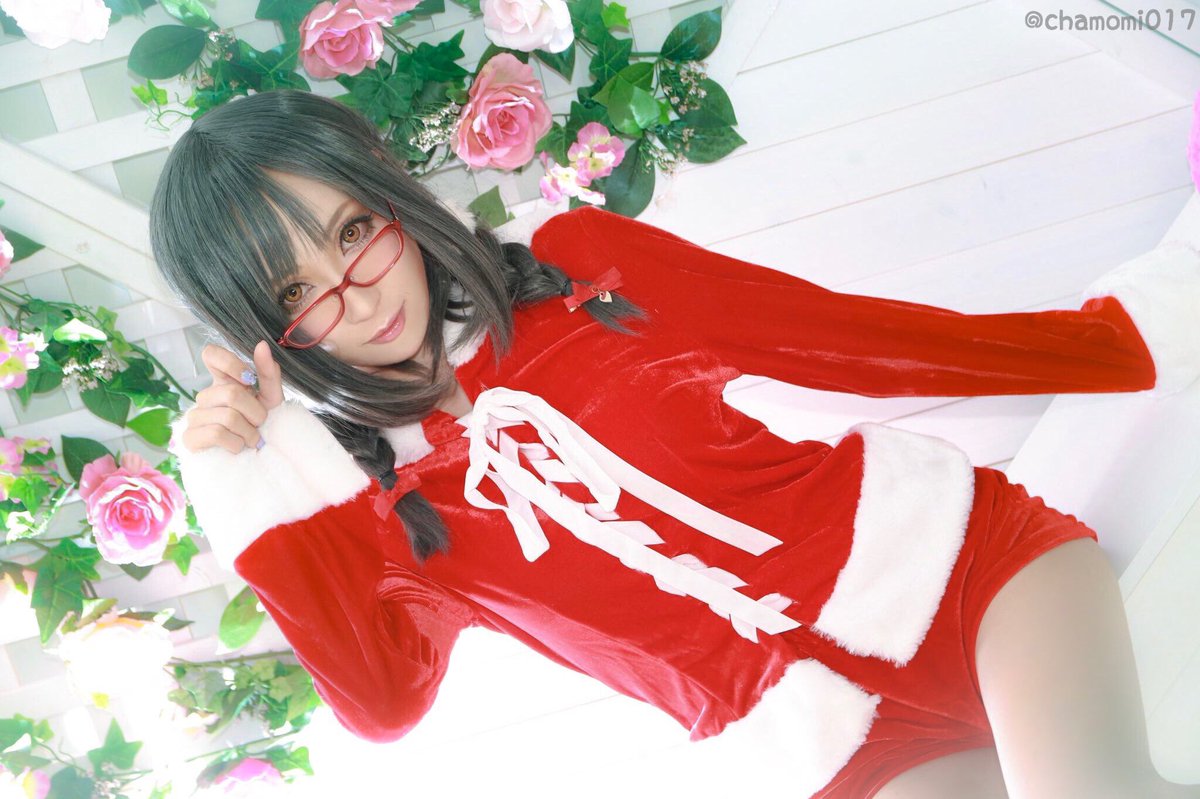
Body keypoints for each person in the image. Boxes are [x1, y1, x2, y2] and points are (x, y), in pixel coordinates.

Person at [151, 89, 1200, 798]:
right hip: (836, 743)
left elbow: (849, 339)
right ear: (258, 328)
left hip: (960, 570)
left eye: (352, 232)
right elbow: (383, 705)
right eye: (297, 292)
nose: (359, 294)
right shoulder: (376, 512)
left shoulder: (581, 269)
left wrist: (1122, 338)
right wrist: (241, 486)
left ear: (392, 197)